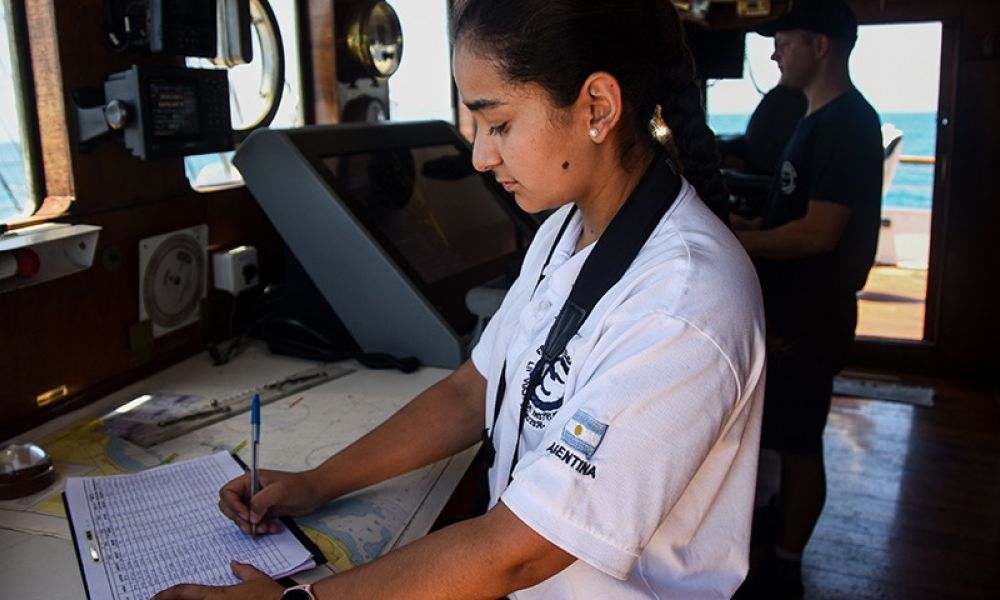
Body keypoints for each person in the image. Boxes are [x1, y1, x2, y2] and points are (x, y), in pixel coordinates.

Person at [155, 1, 766, 598]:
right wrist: (318, 483)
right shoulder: (566, 228)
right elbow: (472, 389)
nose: (480, 155)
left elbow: (518, 553)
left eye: (498, 123)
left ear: (597, 108)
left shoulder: (683, 303)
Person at [729, 0, 884, 597]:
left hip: (812, 314)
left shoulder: (847, 122)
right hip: (795, 309)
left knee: (798, 444)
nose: (773, 52)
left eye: (785, 42)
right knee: (783, 435)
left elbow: (821, 232)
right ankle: (776, 532)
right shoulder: (814, 117)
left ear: (821, 46)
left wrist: (745, 239)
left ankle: (789, 563)